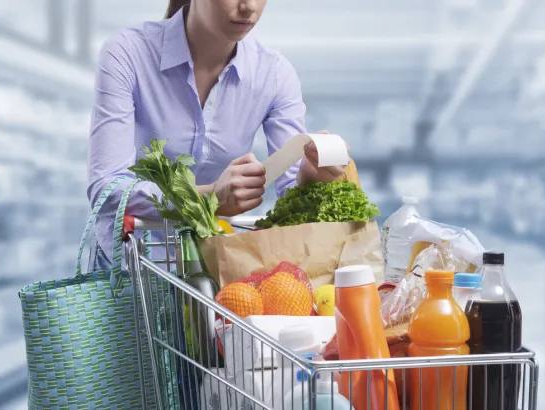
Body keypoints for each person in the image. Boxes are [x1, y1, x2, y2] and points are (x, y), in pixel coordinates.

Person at [87, 0, 349, 267]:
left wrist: (310, 175)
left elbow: (292, 194)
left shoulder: (275, 75)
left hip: (215, 277)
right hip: (131, 276)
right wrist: (209, 197)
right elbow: (107, 190)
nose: (249, 7)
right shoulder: (129, 53)